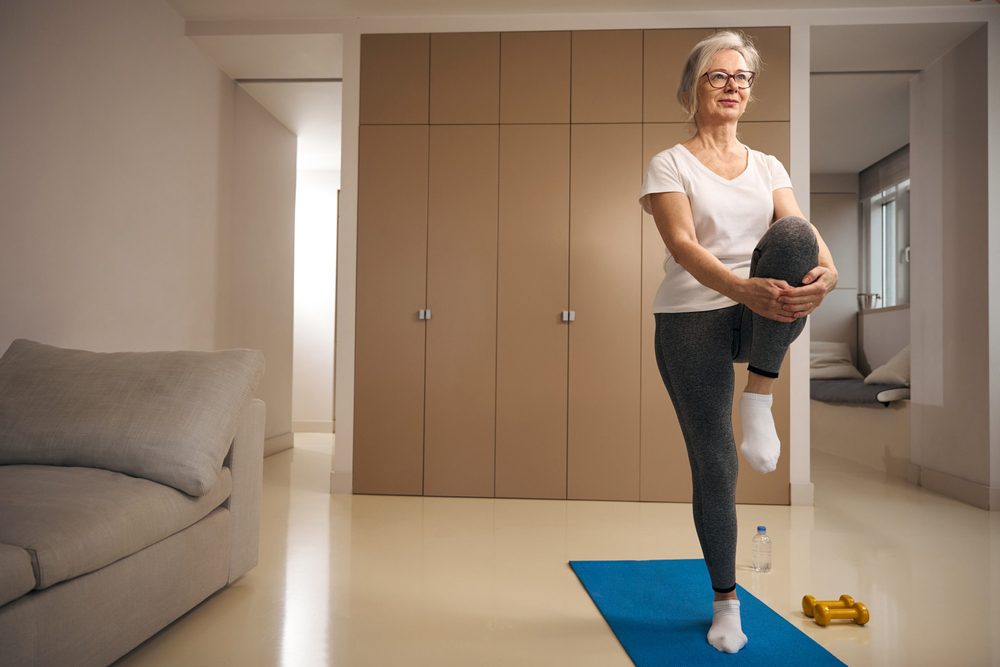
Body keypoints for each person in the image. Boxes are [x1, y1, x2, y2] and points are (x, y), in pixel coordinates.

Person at [639, 31, 838, 654]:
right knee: (716, 464)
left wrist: (829, 276)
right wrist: (740, 289)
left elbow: (803, 236)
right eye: (717, 76)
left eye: (741, 78)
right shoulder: (670, 162)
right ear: (691, 89)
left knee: (797, 236)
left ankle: (760, 395)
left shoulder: (769, 165)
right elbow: (683, 246)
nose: (732, 86)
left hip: (759, 315)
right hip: (693, 315)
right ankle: (726, 603)